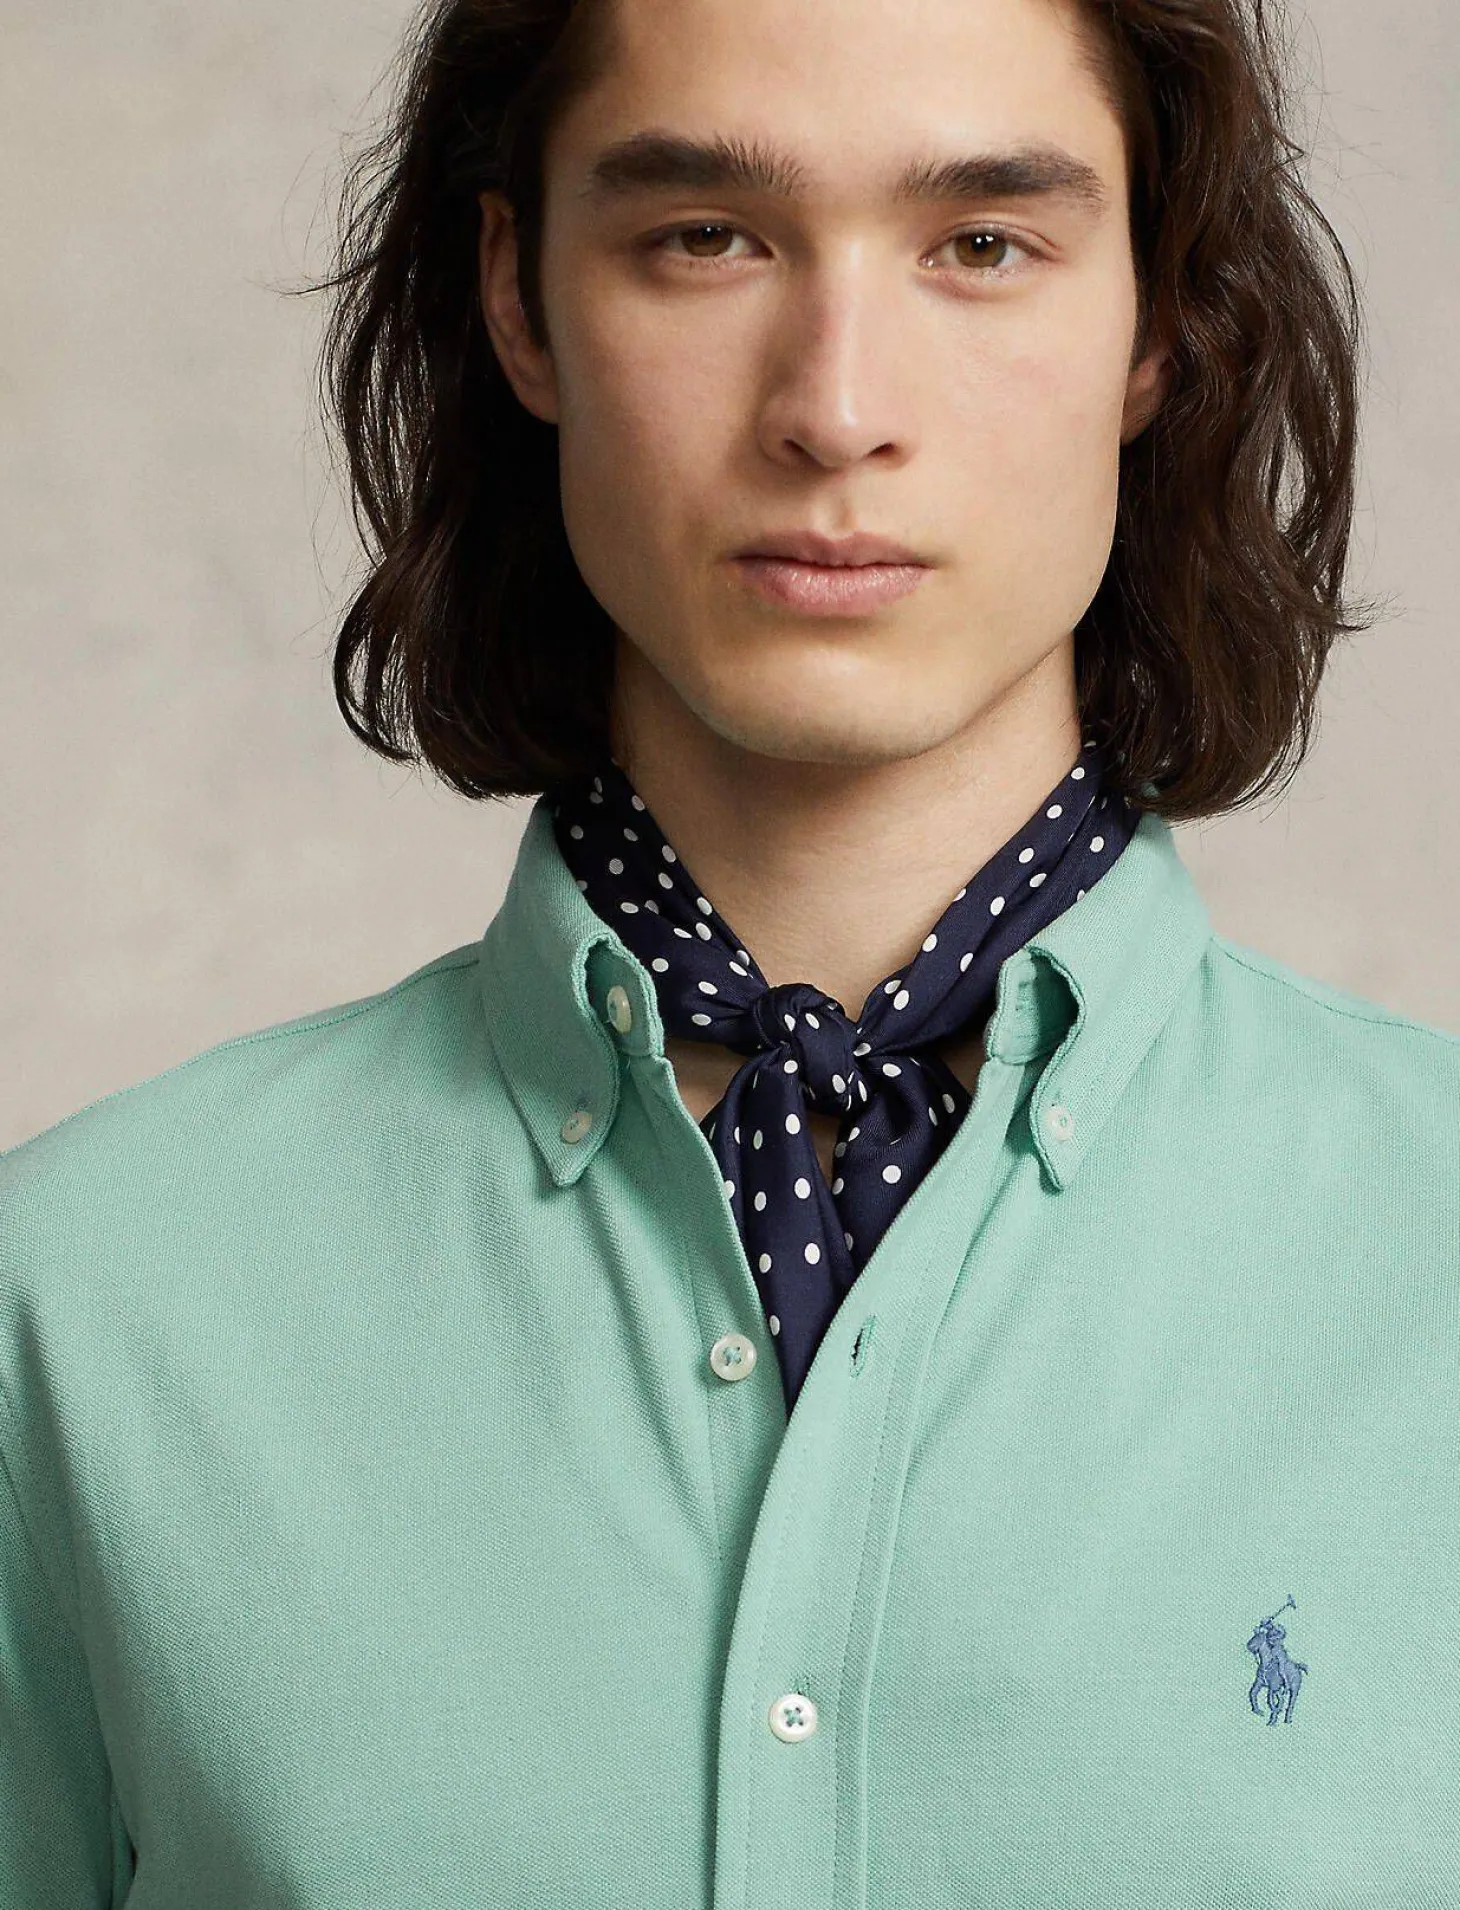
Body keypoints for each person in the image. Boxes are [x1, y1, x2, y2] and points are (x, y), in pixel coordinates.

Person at [3, 0, 1455, 1902]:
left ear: (1159, 319)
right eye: (706, 237)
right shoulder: (81, 1299)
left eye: (982, 242)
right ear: (521, 302)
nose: (835, 409)